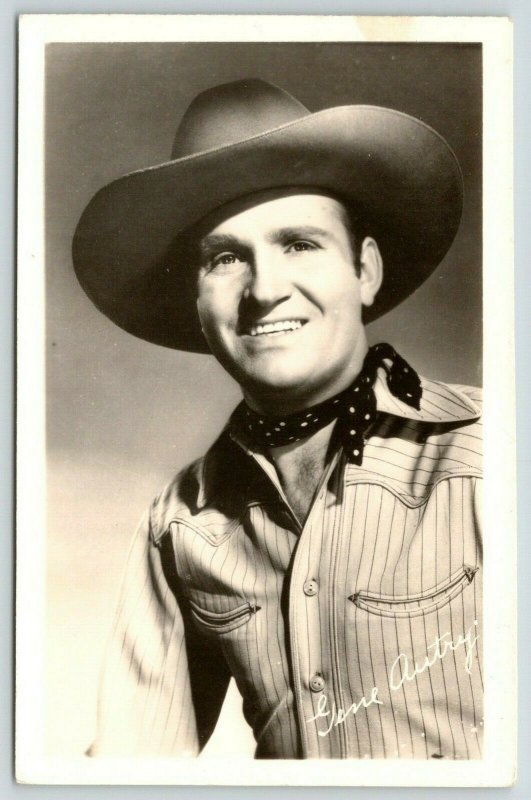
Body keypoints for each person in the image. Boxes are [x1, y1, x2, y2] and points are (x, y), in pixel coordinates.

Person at [73, 79, 482, 760]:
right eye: (225, 257)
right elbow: (129, 766)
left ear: (365, 271)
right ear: (196, 300)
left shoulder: (495, 455)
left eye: (298, 243)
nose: (263, 290)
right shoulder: (180, 526)